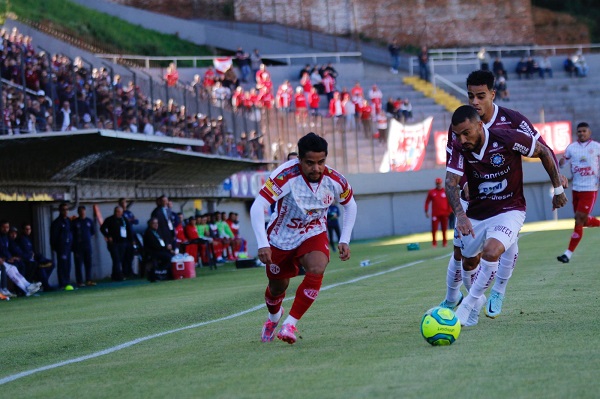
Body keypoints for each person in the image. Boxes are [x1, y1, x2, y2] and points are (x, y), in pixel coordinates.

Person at [439, 70, 567, 320]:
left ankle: (495, 291)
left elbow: (542, 148)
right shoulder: (460, 127)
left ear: (492, 94)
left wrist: (558, 180)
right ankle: (453, 296)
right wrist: (464, 186)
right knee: (462, 255)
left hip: (508, 202)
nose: (474, 101)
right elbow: (453, 168)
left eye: (480, 96)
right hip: (472, 202)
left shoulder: (512, 121)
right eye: (470, 96)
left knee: (500, 247)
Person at [250, 132, 357, 344]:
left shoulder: (335, 179)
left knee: (317, 266)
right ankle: (274, 317)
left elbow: (350, 204)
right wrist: (263, 244)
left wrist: (344, 238)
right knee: (277, 288)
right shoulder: (284, 176)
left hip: (313, 232)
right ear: (300, 160)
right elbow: (257, 206)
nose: (316, 168)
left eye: (321, 162)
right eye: (310, 163)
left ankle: (290, 323)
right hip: (281, 238)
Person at [557, 122, 600, 263]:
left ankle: (568, 254)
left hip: (590, 188)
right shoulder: (571, 148)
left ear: (589, 132)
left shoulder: (596, 147)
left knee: (580, 219)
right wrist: (561, 162)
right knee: (581, 220)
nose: (581, 133)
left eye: (584, 131)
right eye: (579, 131)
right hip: (576, 188)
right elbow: (562, 164)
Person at [100, 206, 134, 281]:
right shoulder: (109, 219)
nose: (117, 213)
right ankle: (118, 275)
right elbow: (102, 228)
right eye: (116, 211)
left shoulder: (124, 220)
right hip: (114, 243)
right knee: (116, 259)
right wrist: (108, 236)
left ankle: (115, 275)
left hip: (123, 242)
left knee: (120, 259)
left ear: (122, 212)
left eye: (119, 212)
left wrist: (131, 241)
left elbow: (129, 230)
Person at [50, 202, 74, 290]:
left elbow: (71, 233)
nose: (65, 211)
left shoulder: (69, 221)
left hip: (68, 247)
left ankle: (67, 281)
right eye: (63, 210)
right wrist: (55, 247)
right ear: (60, 211)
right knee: (62, 265)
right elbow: (53, 236)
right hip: (61, 247)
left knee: (68, 265)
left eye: (67, 210)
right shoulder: (56, 222)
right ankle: (62, 283)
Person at [143, 217, 175, 281]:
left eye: (157, 223)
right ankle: (162, 272)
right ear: (150, 224)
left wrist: (168, 247)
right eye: (154, 223)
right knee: (169, 257)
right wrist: (166, 247)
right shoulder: (148, 233)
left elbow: (162, 242)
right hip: (153, 251)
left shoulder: (157, 232)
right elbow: (154, 245)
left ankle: (169, 273)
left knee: (172, 255)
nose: (156, 225)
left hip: (161, 250)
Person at [71, 205, 96, 287]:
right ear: (78, 212)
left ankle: (88, 280)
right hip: (78, 246)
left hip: (87, 245)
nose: (82, 213)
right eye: (80, 211)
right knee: (78, 264)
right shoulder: (75, 222)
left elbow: (93, 232)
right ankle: (79, 281)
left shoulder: (89, 221)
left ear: (85, 211)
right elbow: (72, 234)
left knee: (88, 263)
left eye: (83, 211)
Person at [424, 177, 451, 247]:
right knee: (434, 229)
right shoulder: (432, 192)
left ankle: (445, 243)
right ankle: (434, 243)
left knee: (444, 229)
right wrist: (426, 211)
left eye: (439, 183)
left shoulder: (445, 191)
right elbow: (427, 202)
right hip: (435, 214)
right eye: (437, 184)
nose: (438, 185)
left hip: (444, 214)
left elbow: (449, 202)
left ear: (441, 183)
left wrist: (449, 211)